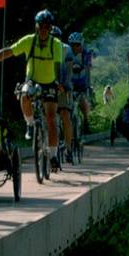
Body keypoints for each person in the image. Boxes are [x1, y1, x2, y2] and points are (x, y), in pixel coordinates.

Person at [0, 9, 63, 169]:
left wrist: (58, 82)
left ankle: (53, 155)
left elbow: (58, 66)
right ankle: (30, 124)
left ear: (50, 28)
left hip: (50, 82)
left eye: (47, 27)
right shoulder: (29, 41)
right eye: (41, 26)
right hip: (32, 80)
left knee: (51, 119)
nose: (44, 30)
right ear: (36, 27)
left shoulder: (56, 44)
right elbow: (8, 52)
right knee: (24, 94)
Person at [53, 26, 75, 164]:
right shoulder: (43, 48)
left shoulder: (66, 49)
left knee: (65, 116)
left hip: (62, 86)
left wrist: (64, 85)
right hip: (48, 86)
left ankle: (68, 149)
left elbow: (68, 70)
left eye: (56, 37)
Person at [68, 32, 93, 134]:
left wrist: (88, 85)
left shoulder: (85, 53)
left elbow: (87, 69)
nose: (75, 47)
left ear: (81, 44)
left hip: (81, 81)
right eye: (72, 45)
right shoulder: (66, 52)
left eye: (77, 44)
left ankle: (86, 121)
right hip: (70, 81)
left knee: (82, 101)